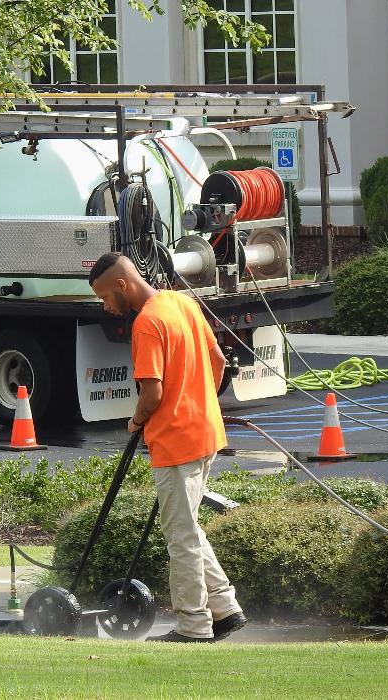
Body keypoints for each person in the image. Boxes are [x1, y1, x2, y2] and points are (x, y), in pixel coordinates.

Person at [88, 252, 246, 643]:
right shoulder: (183, 303)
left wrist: (137, 419)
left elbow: (152, 391)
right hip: (206, 433)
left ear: (122, 286)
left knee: (180, 536)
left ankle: (194, 626)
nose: (107, 307)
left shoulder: (147, 323)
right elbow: (218, 360)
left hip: (176, 442)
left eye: (106, 297)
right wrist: (198, 400)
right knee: (188, 527)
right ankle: (225, 608)